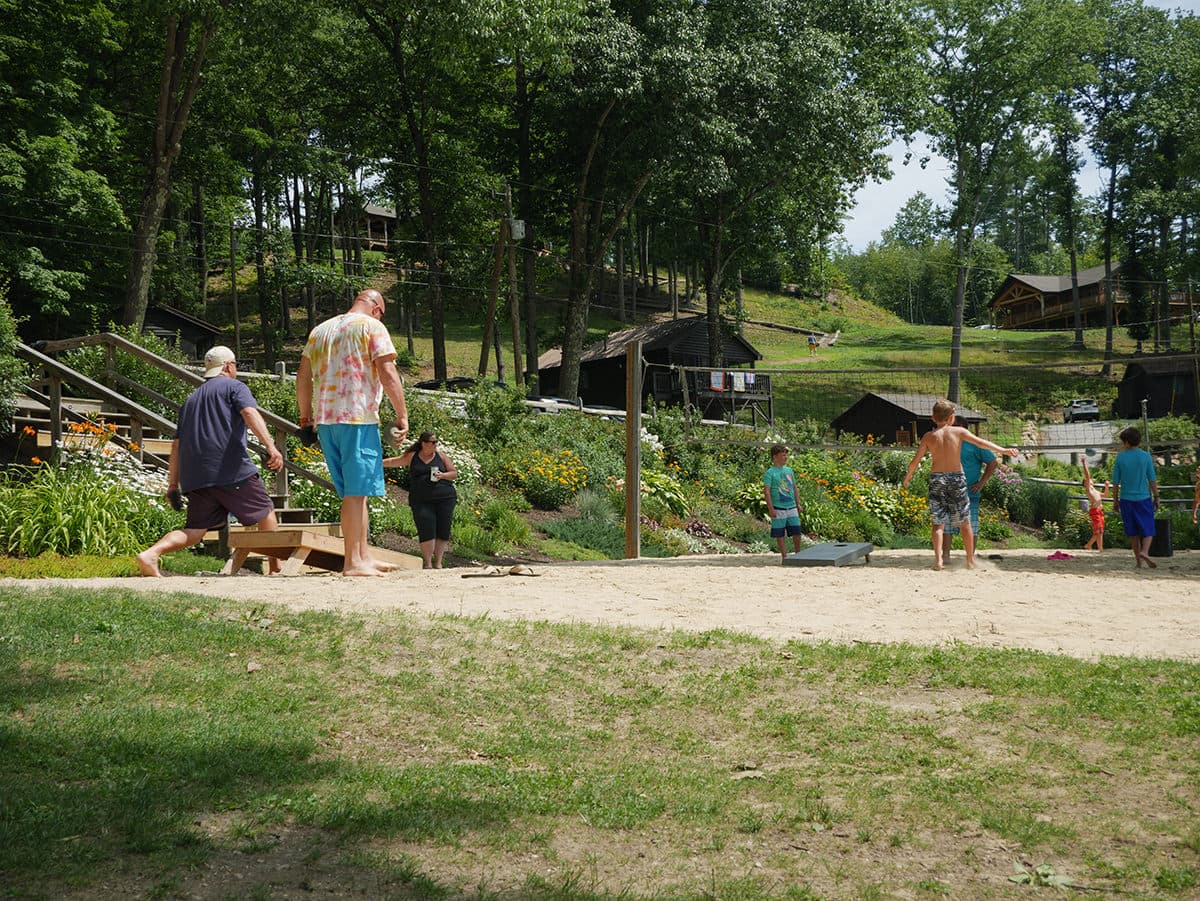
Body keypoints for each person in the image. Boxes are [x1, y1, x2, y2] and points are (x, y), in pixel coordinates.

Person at [136, 346, 284, 577]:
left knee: (195, 531)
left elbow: (176, 445)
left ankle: (151, 554)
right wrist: (271, 446)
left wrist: (173, 484)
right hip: (231, 469)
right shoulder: (235, 387)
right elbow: (249, 412)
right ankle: (276, 569)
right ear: (228, 366)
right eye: (235, 365)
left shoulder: (191, 400)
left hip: (196, 476)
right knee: (266, 512)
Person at [296, 288, 409, 577]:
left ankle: (363, 555)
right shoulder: (371, 326)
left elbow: (303, 377)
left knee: (355, 493)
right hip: (357, 417)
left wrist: (306, 418)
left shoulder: (320, 331)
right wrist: (402, 414)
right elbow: (388, 372)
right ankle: (353, 562)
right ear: (376, 308)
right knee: (356, 493)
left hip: (326, 421)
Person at [902, 399, 1017, 571]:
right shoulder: (959, 432)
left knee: (938, 524)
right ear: (951, 417)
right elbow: (981, 443)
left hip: (937, 479)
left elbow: (915, 461)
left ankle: (938, 561)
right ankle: (970, 561)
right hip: (956, 478)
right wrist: (1003, 450)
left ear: (933, 417)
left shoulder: (928, 437)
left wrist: (908, 477)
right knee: (965, 522)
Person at [384, 431, 458, 569]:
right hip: (420, 499)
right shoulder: (413, 456)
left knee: (443, 529)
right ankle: (428, 563)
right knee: (425, 528)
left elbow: (454, 473)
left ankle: (438, 562)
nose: (435, 445)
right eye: (433, 442)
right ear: (423, 443)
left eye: (436, 442)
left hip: (445, 498)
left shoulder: (441, 456)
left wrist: (443, 475)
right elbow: (395, 461)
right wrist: (378, 463)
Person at [941, 414, 997, 561]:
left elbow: (993, 462)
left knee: (971, 527)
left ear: (961, 428)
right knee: (947, 525)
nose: (949, 428)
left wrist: (981, 483)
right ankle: (945, 556)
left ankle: (969, 559)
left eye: (952, 426)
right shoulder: (946, 442)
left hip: (969, 494)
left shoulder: (975, 444)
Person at [1110, 426, 1159, 569]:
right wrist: (1156, 496)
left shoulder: (1120, 457)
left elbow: (1115, 482)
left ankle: (1139, 562)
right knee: (1148, 528)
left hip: (1126, 499)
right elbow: (1152, 479)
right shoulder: (1145, 456)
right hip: (1143, 498)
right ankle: (1145, 552)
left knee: (1133, 533)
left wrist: (1115, 500)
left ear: (1126, 442)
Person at [762, 444, 804, 561]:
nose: (785, 457)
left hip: (792, 507)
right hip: (778, 508)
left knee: (797, 532)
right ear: (775, 457)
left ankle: (798, 554)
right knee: (779, 533)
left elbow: (794, 488)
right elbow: (767, 491)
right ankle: (784, 556)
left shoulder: (789, 471)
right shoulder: (770, 472)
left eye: (786, 455)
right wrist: (771, 508)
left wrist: (798, 503)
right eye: (783, 455)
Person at [1082, 458, 1109, 551]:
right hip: (1095, 511)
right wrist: (1084, 463)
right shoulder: (1089, 490)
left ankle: (1096, 547)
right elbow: (1087, 475)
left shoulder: (1096, 491)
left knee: (1100, 531)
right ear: (1086, 483)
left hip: (1100, 511)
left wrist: (1106, 487)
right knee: (1098, 531)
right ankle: (1092, 546)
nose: (1090, 480)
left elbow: (1105, 495)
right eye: (1088, 480)